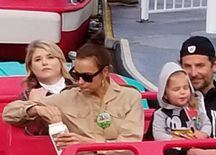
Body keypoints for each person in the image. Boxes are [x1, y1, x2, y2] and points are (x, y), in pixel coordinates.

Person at [3, 34, 145, 148]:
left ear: (105, 72)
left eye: (87, 77)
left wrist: (88, 145)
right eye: (76, 75)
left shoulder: (130, 97)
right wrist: (35, 108)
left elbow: (130, 147)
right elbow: (9, 113)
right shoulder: (67, 97)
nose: (80, 82)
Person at [153, 62, 216, 155]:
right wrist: (173, 139)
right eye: (176, 89)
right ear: (165, 94)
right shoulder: (160, 114)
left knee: (213, 145)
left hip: (195, 142)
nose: (182, 92)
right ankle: (192, 153)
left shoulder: (195, 108)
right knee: (167, 151)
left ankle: (198, 153)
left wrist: (204, 133)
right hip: (173, 148)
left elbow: (206, 123)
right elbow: (158, 134)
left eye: (185, 88)